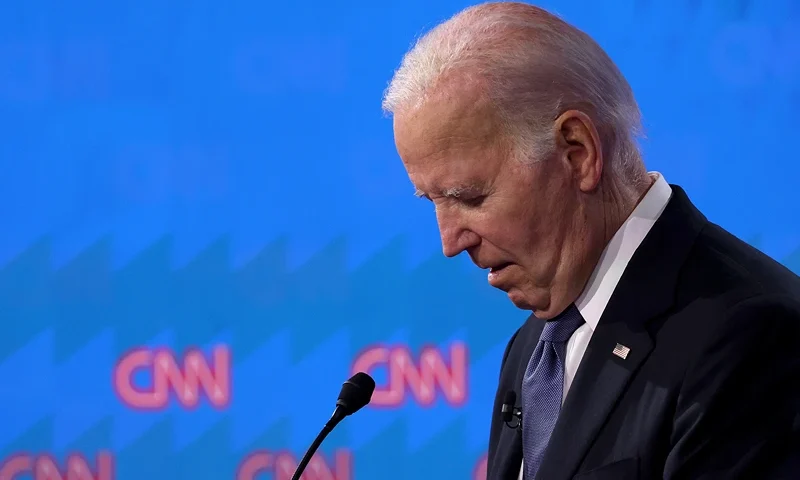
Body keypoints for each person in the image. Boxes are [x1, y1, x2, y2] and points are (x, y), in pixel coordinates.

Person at [381, 2, 800, 479]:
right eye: (431, 201)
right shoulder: (534, 347)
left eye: (470, 197)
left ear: (577, 153)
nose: (450, 242)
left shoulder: (750, 334)